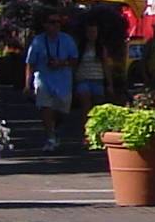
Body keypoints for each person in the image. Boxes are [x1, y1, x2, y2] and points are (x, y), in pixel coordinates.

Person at [24, 10, 80, 152]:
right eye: (52, 22)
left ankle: (54, 129)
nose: (55, 25)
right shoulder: (38, 41)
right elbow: (30, 63)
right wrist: (27, 84)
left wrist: (61, 63)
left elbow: (74, 60)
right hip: (44, 78)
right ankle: (50, 137)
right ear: (45, 25)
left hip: (63, 81)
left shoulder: (67, 40)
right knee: (45, 107)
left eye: (58, 23)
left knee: (62, 110)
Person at [71, 24, 108, 115]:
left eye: (94, 32)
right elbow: (75, 64)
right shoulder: (80, 48)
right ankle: (85, 126)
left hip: (97, 79)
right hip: (83, 79)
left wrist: (109, 83)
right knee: (85, 106)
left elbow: (105, 65)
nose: (92, 34)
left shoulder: (101, 48)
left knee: (97, 108)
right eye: (90, 32)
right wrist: (73, 80)